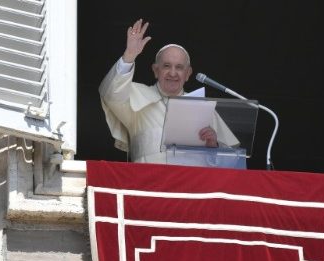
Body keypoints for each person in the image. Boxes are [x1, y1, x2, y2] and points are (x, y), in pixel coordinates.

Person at [99, 19, 238, 163]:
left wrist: (213, 147)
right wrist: (129, 56)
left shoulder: (203, 109)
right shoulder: (136, 99)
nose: (173, 73)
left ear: (188, 73)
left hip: (192, 184)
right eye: (166, 66)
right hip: (147, 184)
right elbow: (111, 94)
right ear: (155, 70)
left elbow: (232, 162)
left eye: (179, 67)